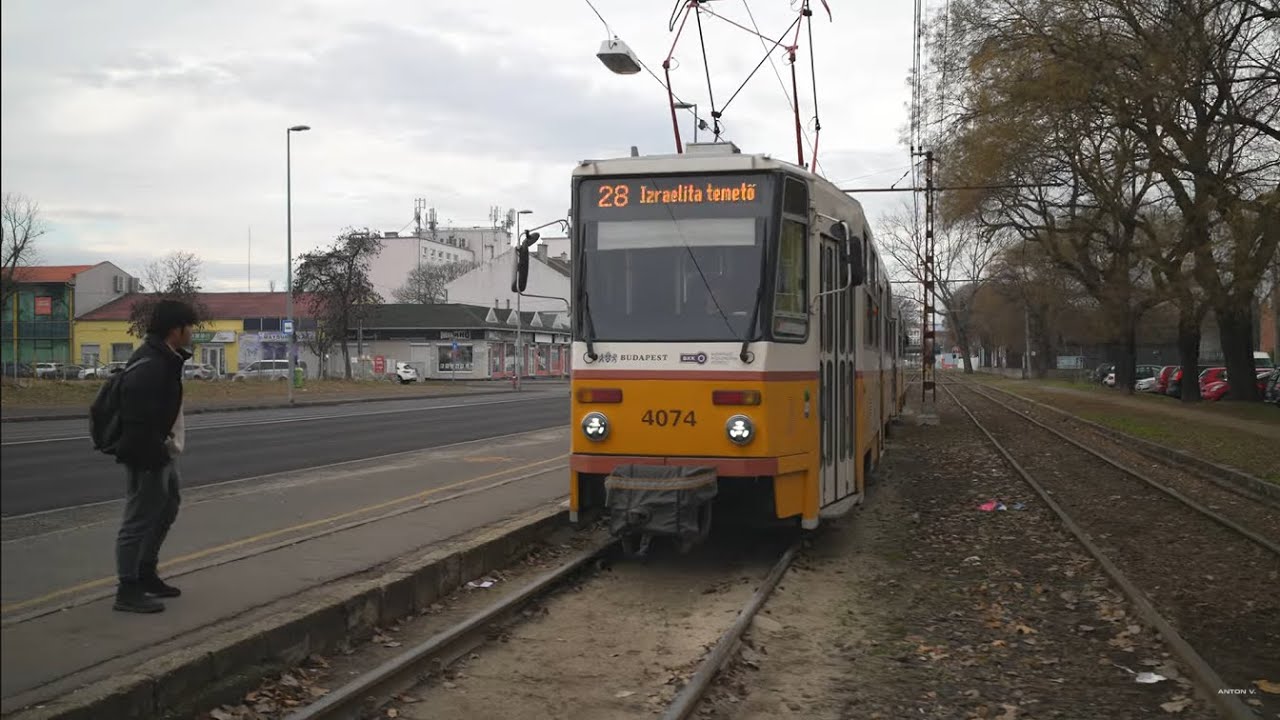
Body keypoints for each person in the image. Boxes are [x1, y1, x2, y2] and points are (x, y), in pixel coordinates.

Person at [112, 299, 196, 613]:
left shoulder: (166, 358)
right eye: (190, 327)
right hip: (147, 454)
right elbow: (136, 417)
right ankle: (127, 588)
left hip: (163, 450)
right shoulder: (150, 363)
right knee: (137, 519)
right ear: (177, 329)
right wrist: (153, 453)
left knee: (167, 507)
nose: (193, 333)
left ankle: (146, 573)